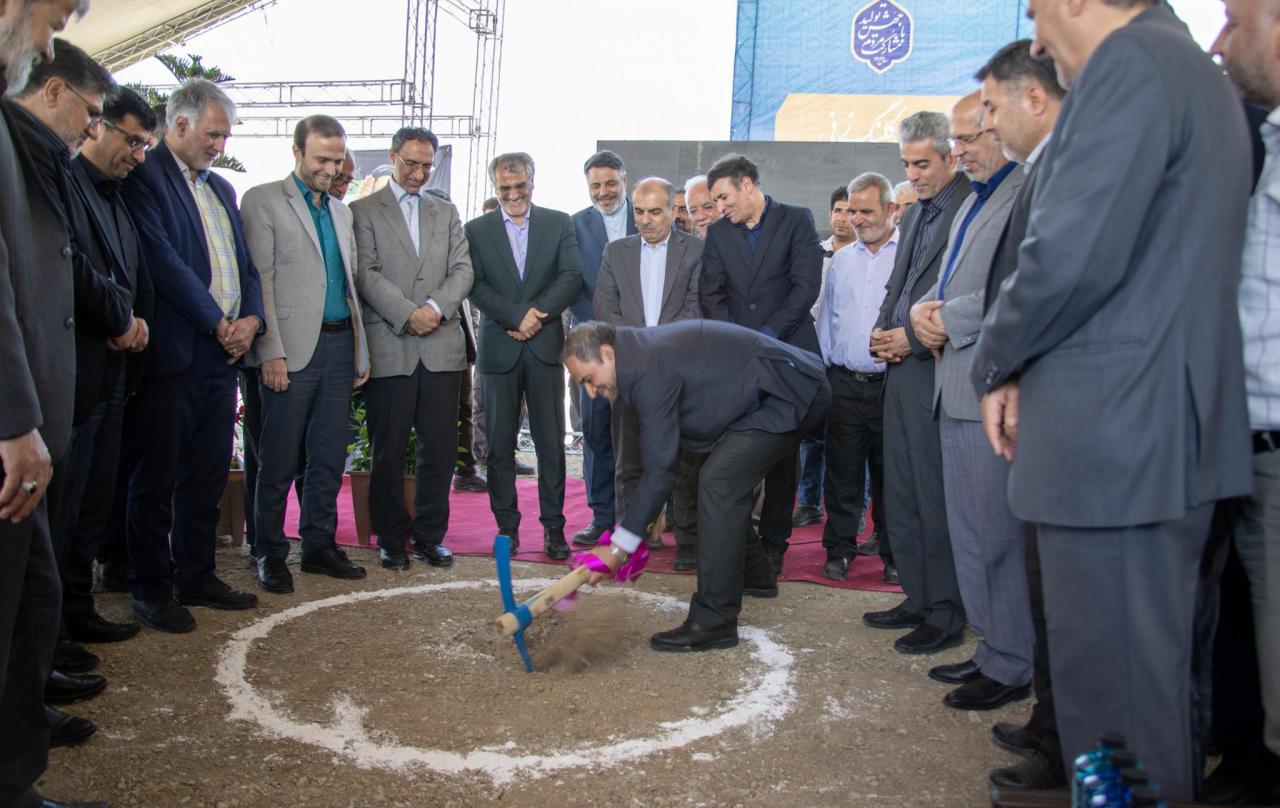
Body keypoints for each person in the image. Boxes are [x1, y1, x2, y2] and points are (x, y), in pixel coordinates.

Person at [971, 1, 1251, 799]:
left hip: (1118, 444)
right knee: (1137, 696)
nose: (1037, 39)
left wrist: (995, 360)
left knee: (1115, 703)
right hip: (1149, 438)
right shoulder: (1179, 68)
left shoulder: (1132, 65)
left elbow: (1067, 253)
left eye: (1036, 12)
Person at [0, 2, 113, 804]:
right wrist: (15, 419)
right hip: (15, 431)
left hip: (30, 423)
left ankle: (15, 783)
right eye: (52, 17)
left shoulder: (31, 147)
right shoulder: (21, 140)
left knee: (32, 604)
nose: (46, 41)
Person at [565, 320, 829, 651]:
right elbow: (654, 461)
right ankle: (756, 575)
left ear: (607, 354)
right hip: (768, 392)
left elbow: (658, 471)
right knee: (702, 482)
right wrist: (632, 529)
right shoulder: (635, 359)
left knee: (718, 483)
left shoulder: (646, 368)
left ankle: (714, 621)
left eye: (589, 380)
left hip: (790, 391)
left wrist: (619, 548)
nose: (591, 393)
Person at [6, 38, 135, 685]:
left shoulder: (46, 158)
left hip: (61, 385)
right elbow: (64, 267)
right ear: (54, 90)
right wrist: (119, 315)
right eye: (92, 112)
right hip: (34, 390)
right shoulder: (24, 153)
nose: (92, 128)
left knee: (50, 544)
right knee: (36, 548)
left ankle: (34, 688)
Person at [121, 78, 264, 633]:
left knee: (207, 476)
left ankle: (197, 576)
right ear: (179, 124)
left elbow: (245, 265)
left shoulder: (222, 188)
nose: (220, 146)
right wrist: (218, 322)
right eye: (213, 135)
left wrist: (251, 320)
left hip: (222, 357)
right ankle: (151, 588)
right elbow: (162, 263)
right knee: (156, 480)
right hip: (175, 354)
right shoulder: (146, 176)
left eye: (225, 137)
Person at [909, 90, 1029, 712]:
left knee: (999, 537)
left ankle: (1013, 661)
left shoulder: (1025, 192)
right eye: (955, 140)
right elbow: (945, 281)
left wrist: (945, 319)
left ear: (1001, 128)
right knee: (972, 534)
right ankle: (992, 648)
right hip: (953, 386)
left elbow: (1021, 287)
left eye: (967, 138)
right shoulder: (973, 201)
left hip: (991, 389)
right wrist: (919, 312)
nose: (958, 151)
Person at [968, 39, 1067, 791]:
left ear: (1034, 98)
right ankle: (1053, 724)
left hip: (1076, 408)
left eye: (991, 109)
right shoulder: (1041, 170)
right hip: (1042, 403)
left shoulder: (1075, 162)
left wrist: (998, 367)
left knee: (1077, 598)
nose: (988, 125)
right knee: (1049, 585)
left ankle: (1071, 747)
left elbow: (1041, 281)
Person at [241, 115, 371, 591]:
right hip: (289, 350)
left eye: (337, 161)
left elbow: (350, 287)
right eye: (321, 159)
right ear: (296, 152)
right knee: (276, 460)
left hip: (339, 345)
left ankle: (318, 545)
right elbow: (261, 282)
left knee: (328, 457)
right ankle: (269, 551)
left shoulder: (342, 212)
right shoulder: (262, 200)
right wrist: (269, 352)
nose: (330, 170)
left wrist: (360, 350)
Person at [862, 111, 970, 654]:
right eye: (906, 164)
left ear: (952, 156)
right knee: (901, 490)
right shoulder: (919, 211)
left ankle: (946, 611)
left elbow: (966, 293)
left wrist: (911, 338)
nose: (913, 174)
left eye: (923, 164)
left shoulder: (970, 207)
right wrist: (883, 331)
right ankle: (918, 595)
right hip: (901, 369)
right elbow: (900, 284)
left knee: (933, 495)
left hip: (938, 368)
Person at [1212, 0, 1280, 787]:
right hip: (1237, 440)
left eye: (1235, 20)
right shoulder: (1259, 139)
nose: (1219, 40)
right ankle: (1242, 757)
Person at [351, 127, 472, 571]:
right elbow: (365, 273)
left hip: (441, 349)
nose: (419, 174)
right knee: (388, 450)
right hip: (390, 346)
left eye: (426, 165)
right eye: (411, 164)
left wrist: (435, 309)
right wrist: (408, 313)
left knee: (439, 451)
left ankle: (429, 537)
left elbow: (463, 270)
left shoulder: (446, 211)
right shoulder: (362, 211)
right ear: (392, 157)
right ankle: (391, 538)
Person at [64, 85, 156, 650]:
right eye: (133, 141)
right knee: (66, 504)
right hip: (75, 370)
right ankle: (53, 633)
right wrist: (121, 320)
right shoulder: (66, 182)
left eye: (145, 146)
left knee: (95, 499)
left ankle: (78, 611)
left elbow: (129, 273)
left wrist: (135, 324)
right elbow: (70, 269)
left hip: (114, 373)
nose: (139, 156)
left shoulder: (117, 196)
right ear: (99, 126)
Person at [700, 153, 823, 574]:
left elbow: (805, 287)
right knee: (738, 451)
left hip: (789, 357)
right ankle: (742, 546)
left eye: (723, 198)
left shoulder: (797, 220)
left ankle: (774, 546)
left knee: (783, 457)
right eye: (715, 201)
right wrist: (739, 343)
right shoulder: (719, 234)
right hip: (740, 364)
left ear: (748, 184)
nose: (719, 208)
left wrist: (766, 337)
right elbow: (711, 294)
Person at [465, 152, 582, 558]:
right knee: (499, 446)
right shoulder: (475, 230)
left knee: (551, 444)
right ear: (495, 187)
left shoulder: (558, 222)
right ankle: (507, 528)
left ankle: (554, 528)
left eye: (520, 186)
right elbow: (474, 285)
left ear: (533, 182)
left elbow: (571, 276)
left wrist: (537, 316)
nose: (513, 195)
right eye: (505, 188)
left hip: (544, 348)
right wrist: (516, 316)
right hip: (499, 349)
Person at [593, 177, 703, 569]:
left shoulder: (695, 250)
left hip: (679, 372)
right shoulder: (615, 251)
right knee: (629, 461)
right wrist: (641, 346)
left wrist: (659, 345)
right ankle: (631, 541)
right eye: (639, 211)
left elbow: (696, 307)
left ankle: (688, 541)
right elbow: (604, 309)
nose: (645, 220)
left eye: (655, 211)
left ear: (673, 210)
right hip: (630, 372)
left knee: (684, 461)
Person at [814, 173, 897, 582]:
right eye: (851, 211)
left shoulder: (908, 256)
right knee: (842, 473)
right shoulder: (841, 261)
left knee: (893, 476)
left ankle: (894, 554)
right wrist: (827, 369)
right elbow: (827, 319)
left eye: (866, 211)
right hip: (844, 385)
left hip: (892, 386)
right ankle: (839, 549)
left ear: (891, 209)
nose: (857, 219)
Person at [569, 150, 634, 549]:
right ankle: (602, 517)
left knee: (640, 431)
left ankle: (640, 519)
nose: (604, 192)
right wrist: (598, 331)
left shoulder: (645, 217)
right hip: (593, 346)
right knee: (595, 430)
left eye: (611, 183)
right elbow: (571, 284)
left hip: (641, 344)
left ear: (625, 179)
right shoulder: (573, 226)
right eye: (596, 185)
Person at [794, 186, 857, 530]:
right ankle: (808, 503)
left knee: (849, 440)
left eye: (850, 211)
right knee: (810, 436)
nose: (843, 218)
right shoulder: (813, 253)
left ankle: (852, 511)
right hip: (811, 356)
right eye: (838, 210)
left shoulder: (865, 257)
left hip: (847, 360)